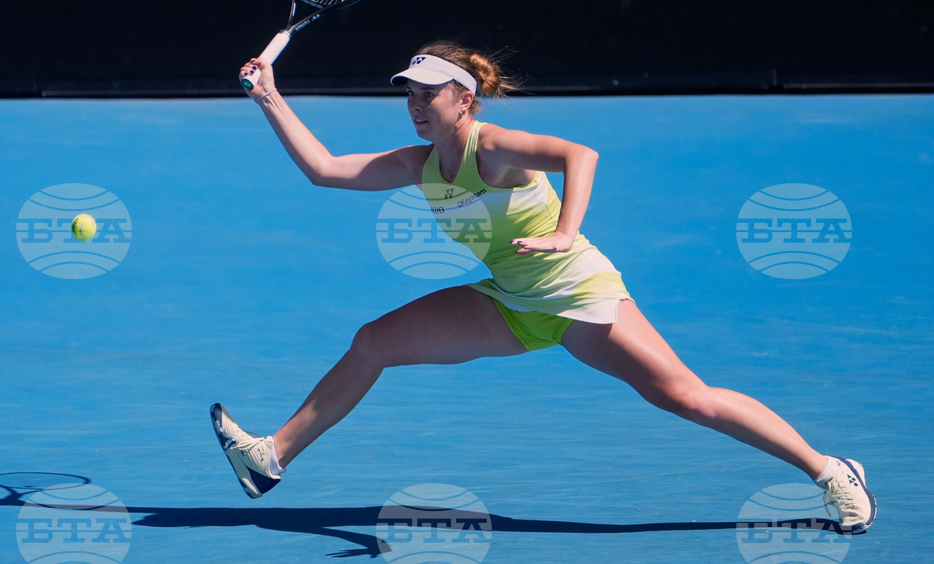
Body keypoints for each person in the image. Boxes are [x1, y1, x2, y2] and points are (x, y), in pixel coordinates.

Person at [210, 41, 876, 534]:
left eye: (429, 93)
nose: (415, 104)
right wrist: (269, 96)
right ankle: (270, 457)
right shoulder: (420, 164)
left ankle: (830, 473)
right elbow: (325, 170)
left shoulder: (493, 146)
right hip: (508, 299)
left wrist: (564, 230)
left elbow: (578, 155)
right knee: (373, 341)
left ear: (464, 99)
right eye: (409, 92)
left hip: (578, 293)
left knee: (687, 399)